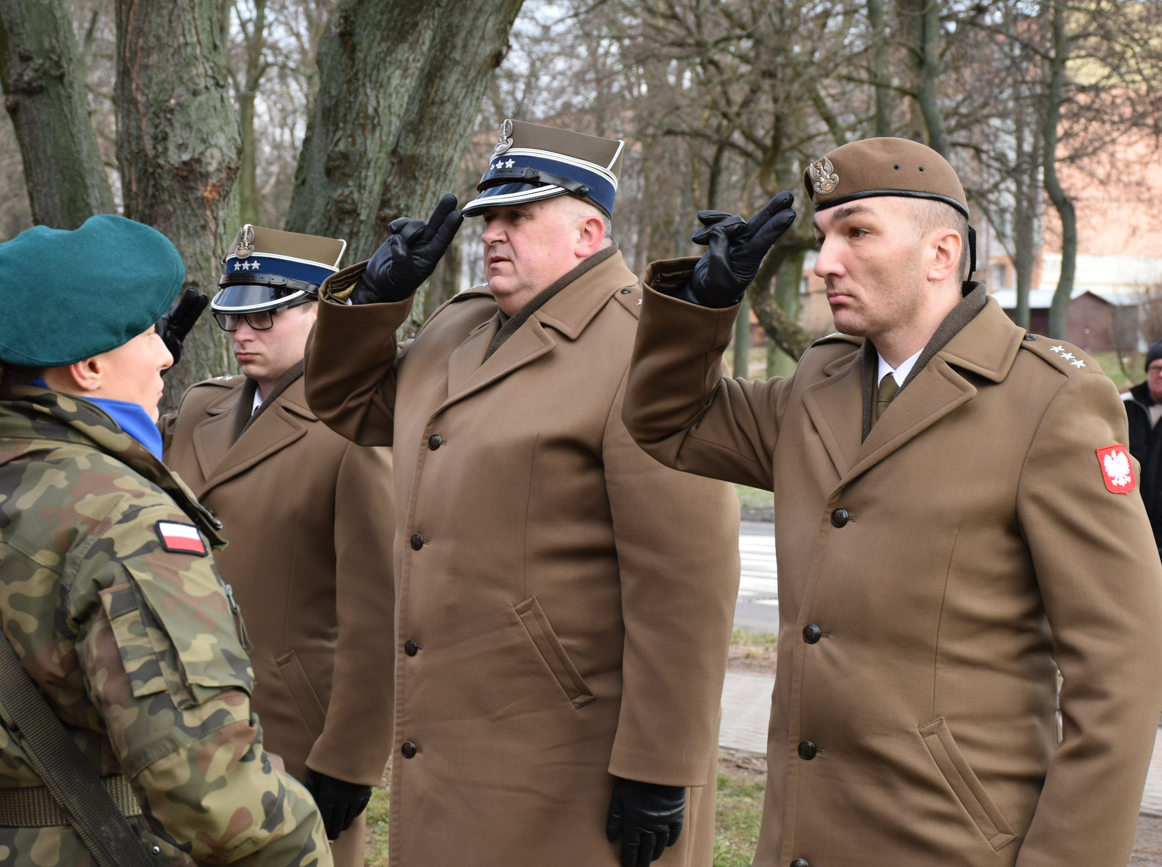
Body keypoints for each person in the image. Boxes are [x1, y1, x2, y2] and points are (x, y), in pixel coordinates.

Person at [623, 136, 1162, 866]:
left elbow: (1121, 673)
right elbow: (668, 421)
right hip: (800, 840)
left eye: (858, 232)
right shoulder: (819, 381)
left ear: (941, 253)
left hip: (951, 841)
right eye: (822, 238)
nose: (824, 264)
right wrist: (703, 306)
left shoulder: (1050, 402)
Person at [304, 118, 739, 867]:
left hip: (566, 747)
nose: (493, 233)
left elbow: (686, 580)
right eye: (487, 218)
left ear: (589, 230)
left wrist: (661, 763)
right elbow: (348, 402)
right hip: (452, 727)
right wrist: (375, 298)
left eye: (519, 214)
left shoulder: (643, 347)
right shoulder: (458, 328)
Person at [0, 214, 329, 866]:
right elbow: (215, 795)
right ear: (87, 366)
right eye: (145, 333)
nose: (166, 354)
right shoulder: (125, 520)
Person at [162, 225, 395, 864]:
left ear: (322, 312)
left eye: (263, 315)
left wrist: (351, 757)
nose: (241, 333)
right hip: (178, 716)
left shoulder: (355, 430)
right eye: (233, 318)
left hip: (291, 723)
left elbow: (376, 611)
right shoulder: (201, 409)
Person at [1123, 337, 1162, 556]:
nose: (1161, 374)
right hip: (1128, 525)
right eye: (1156, 368)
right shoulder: (1124, 407)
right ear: (1147, 371)